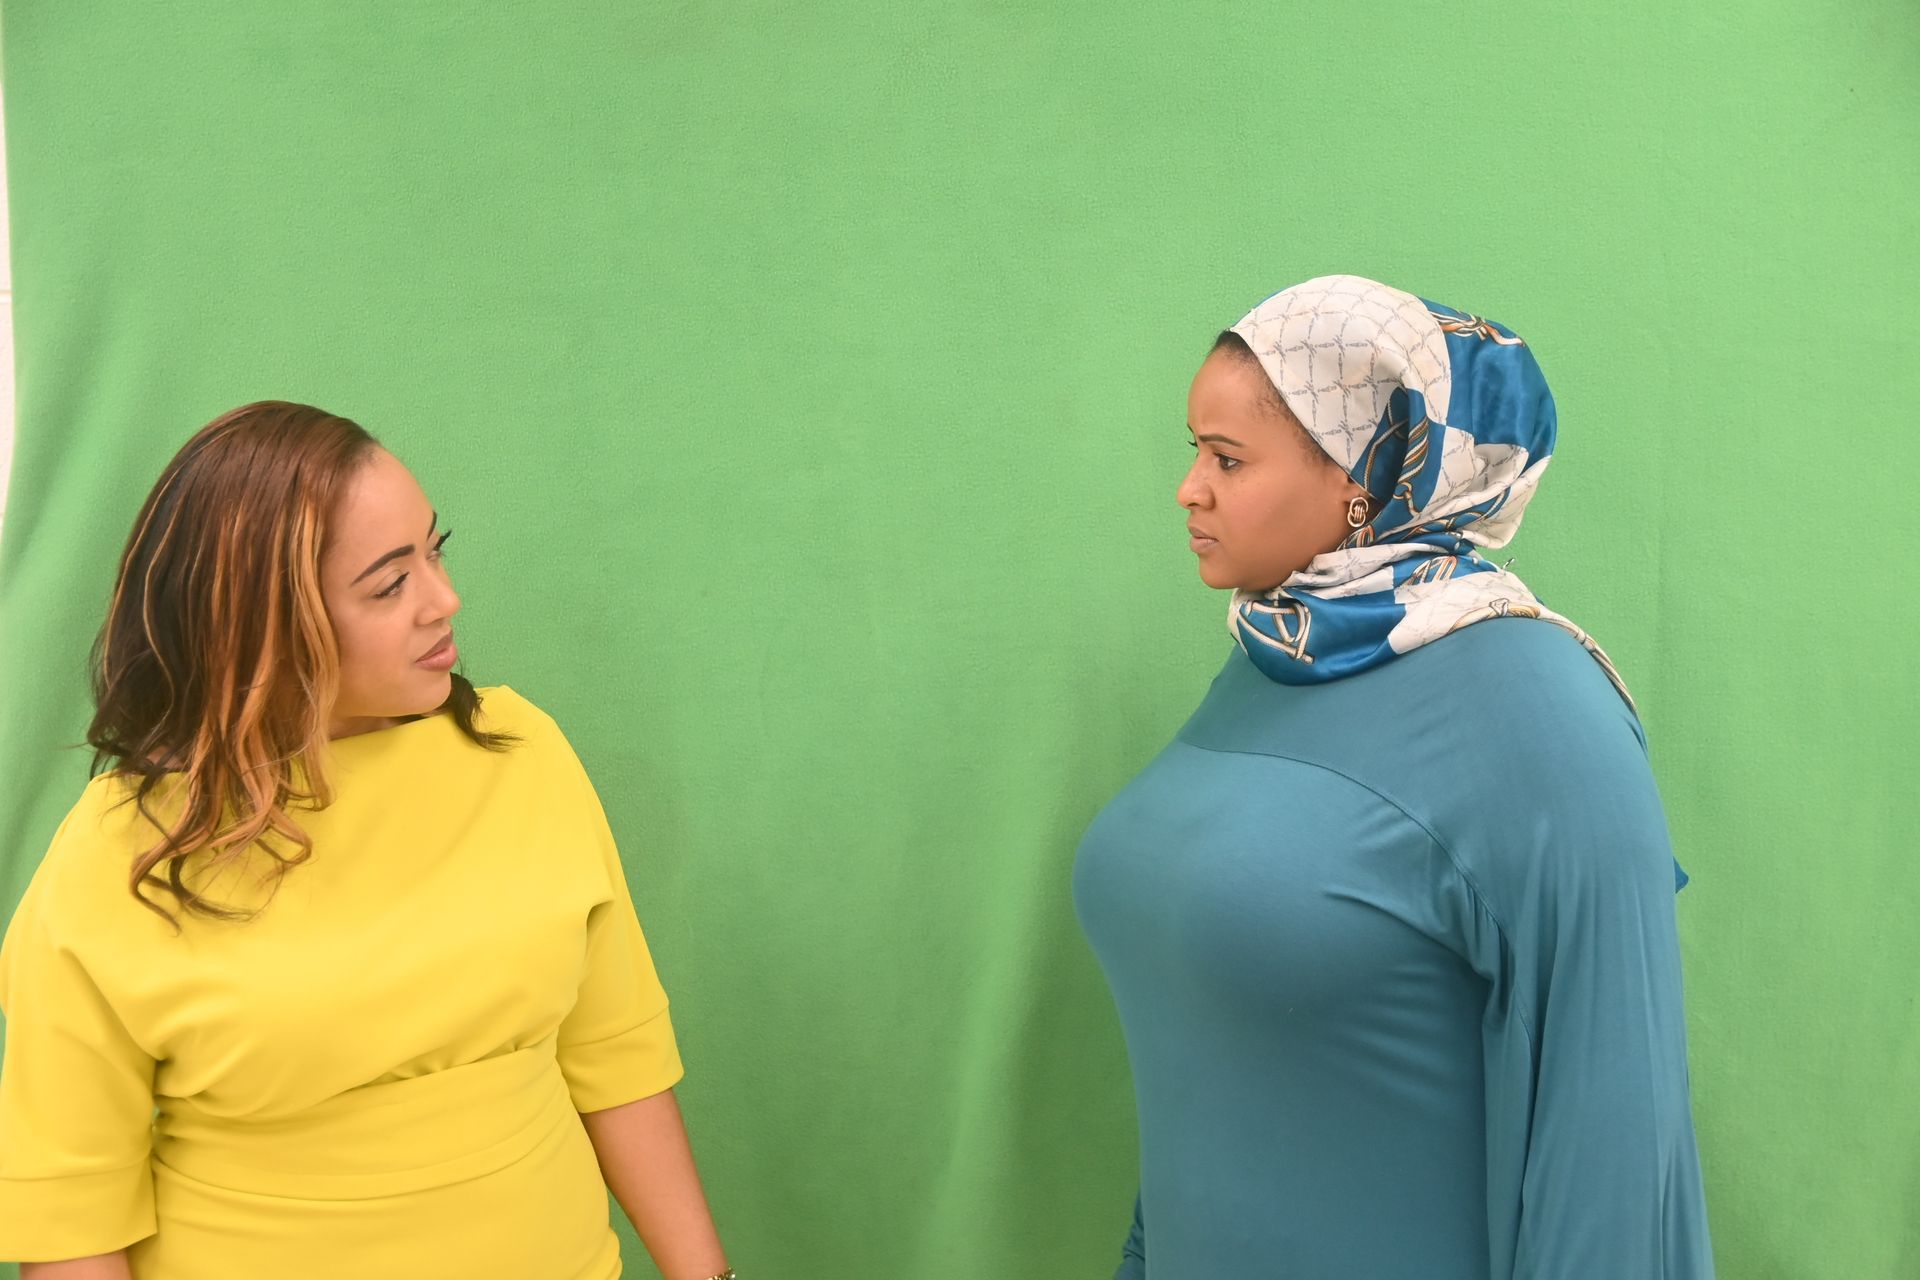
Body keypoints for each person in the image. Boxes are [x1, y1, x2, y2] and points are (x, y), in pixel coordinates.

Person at [0, 402, 735, 1280]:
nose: (444, 600)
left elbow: (618, 1059)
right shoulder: (120, 855)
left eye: (435, 551)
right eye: (390, 585)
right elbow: (72, 1216)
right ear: (261, 627)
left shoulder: (524, 753)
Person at [1073, 276, 1713, 1277]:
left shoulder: (1533, 707)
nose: (1189, 489)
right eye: (1194, 450)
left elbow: (1615, 1143)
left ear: (1361, 479)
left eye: (1227, 458)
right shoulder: (1278, 654)